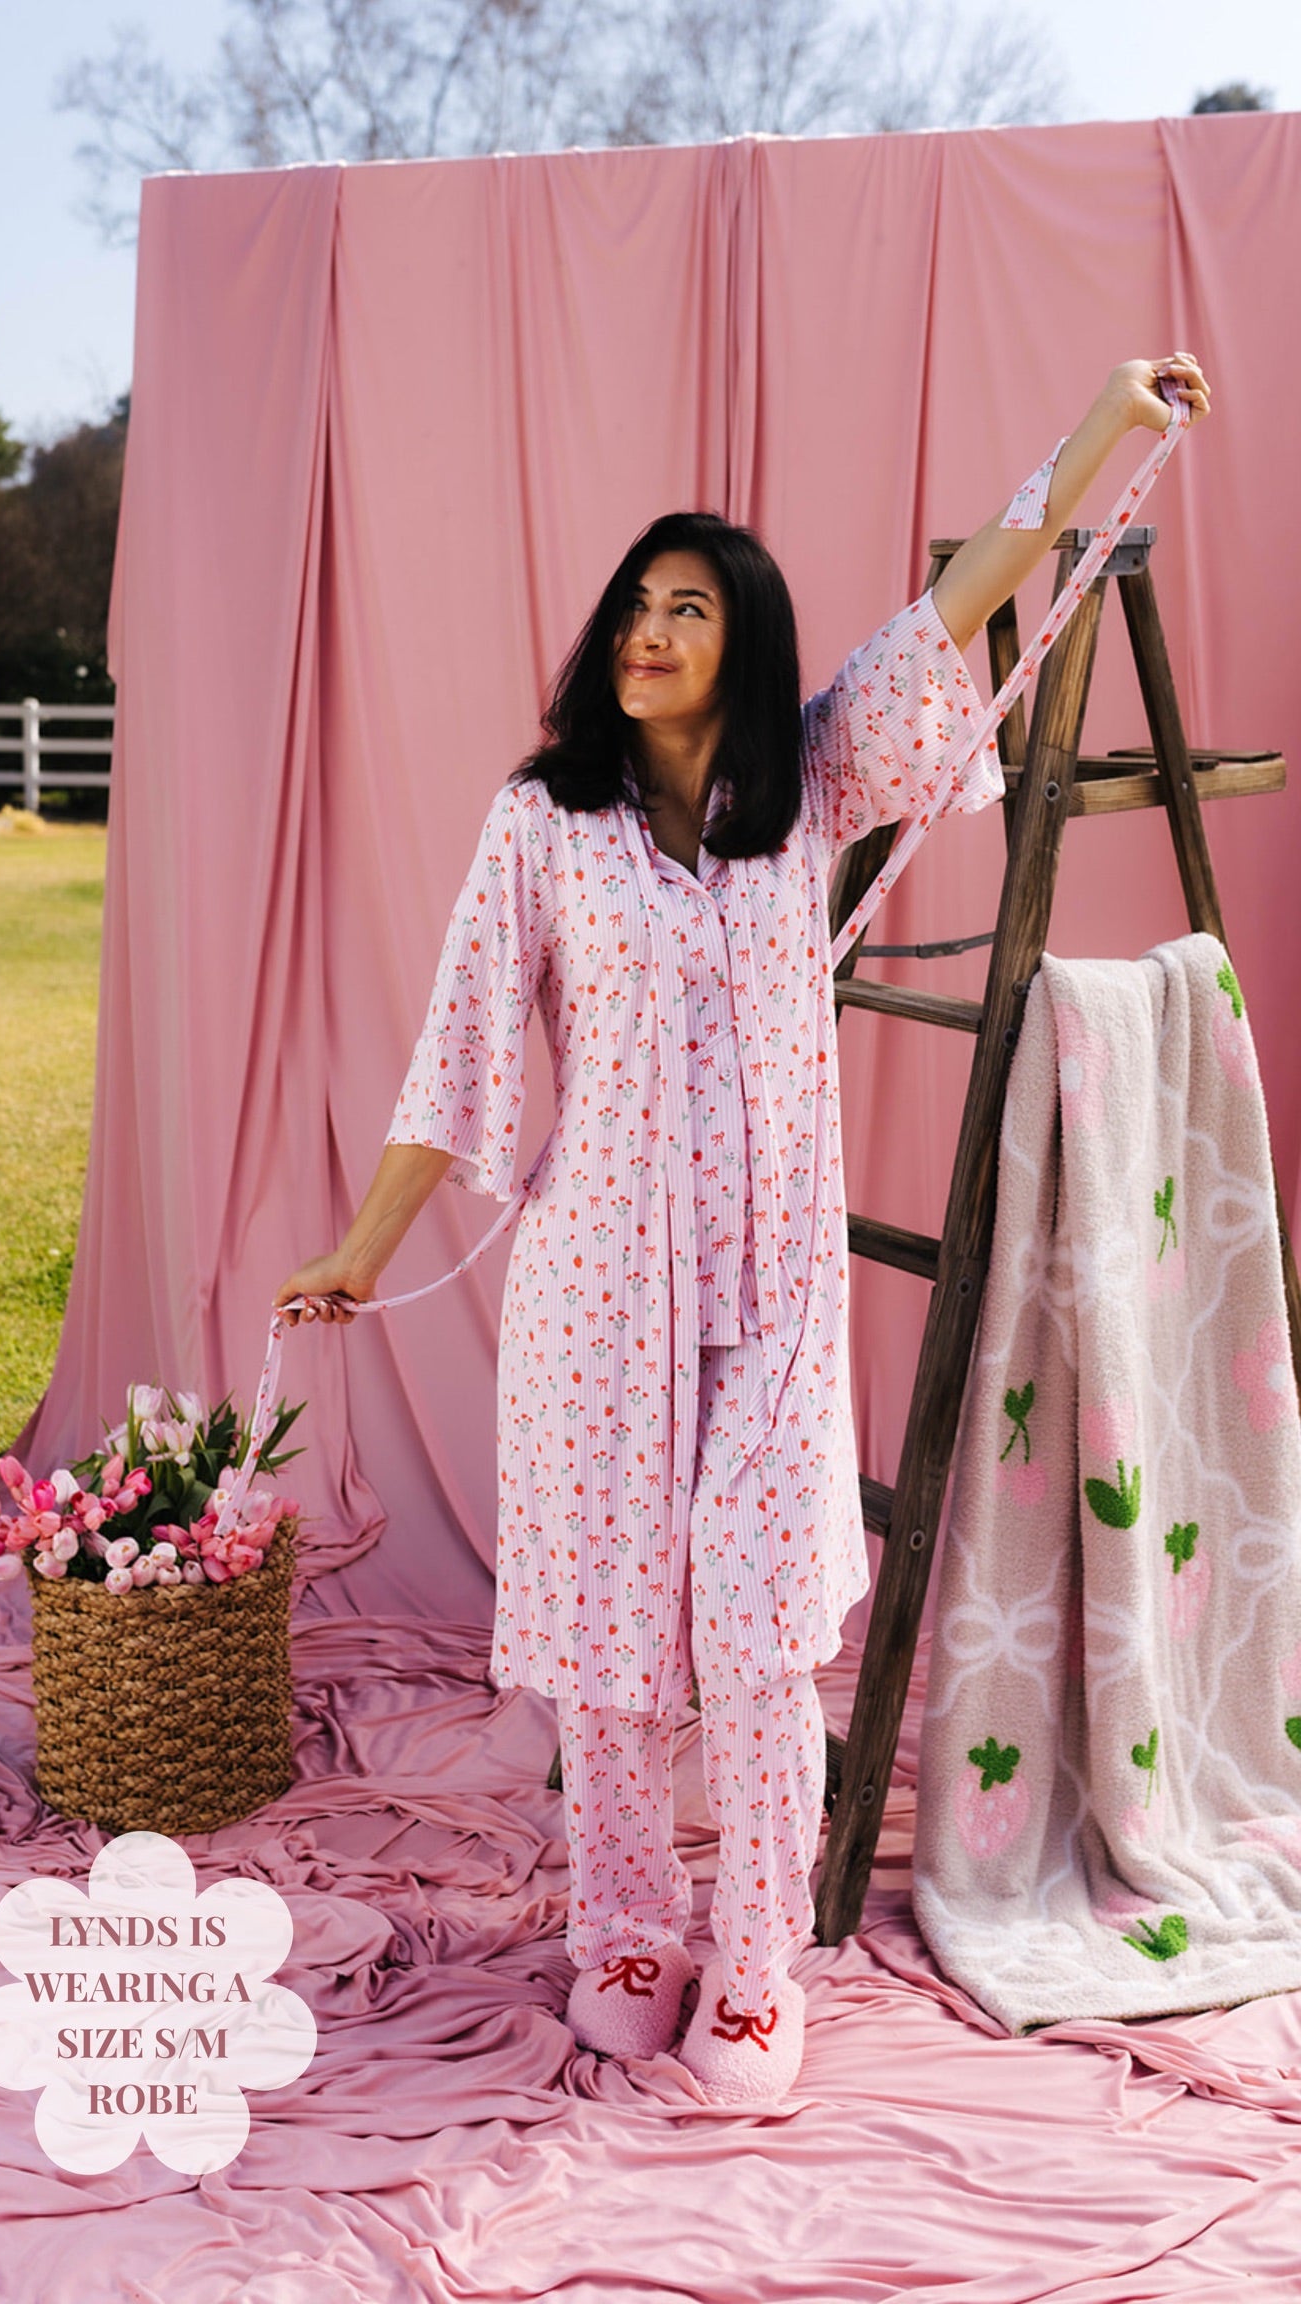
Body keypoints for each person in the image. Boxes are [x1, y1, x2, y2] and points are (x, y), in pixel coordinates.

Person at [273, 355, 1211, 2105]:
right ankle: (627, 1931)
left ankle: (762, 1959)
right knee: (614, 1653)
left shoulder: (816, 784)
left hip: (773, 1302)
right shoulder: (543, 821)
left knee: (765, 1645)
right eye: (635, 607)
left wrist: (1108, 423)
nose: (644, 633)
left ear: (745, 644)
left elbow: (965, 601)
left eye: (686, 610)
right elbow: (460, 1046)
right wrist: (358, 1250)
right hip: (595, 1298)